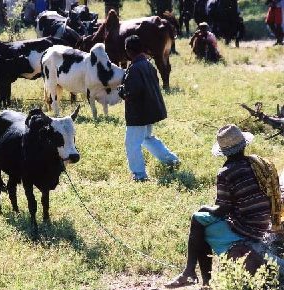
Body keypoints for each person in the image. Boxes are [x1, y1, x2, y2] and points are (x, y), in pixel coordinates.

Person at [165, 124, 281, 288]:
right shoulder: (256, 163)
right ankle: (200, 279)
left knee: (198, 220)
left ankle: (192, 273)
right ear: (243, 145)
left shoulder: (226, 172)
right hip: (263, 224)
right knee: (201, 221)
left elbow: (221, 210)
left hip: (246, 228)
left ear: (223, 150)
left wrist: (204, 208)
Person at [118, 35, 179, 182]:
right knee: (146, 138)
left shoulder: (134, 68)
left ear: (128, 51)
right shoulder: (148, 64)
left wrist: (123, 92)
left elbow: (133, 92)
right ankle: (172, 161)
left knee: (132, 144)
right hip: (150, 111)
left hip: (138, 114)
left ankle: (139, 176)